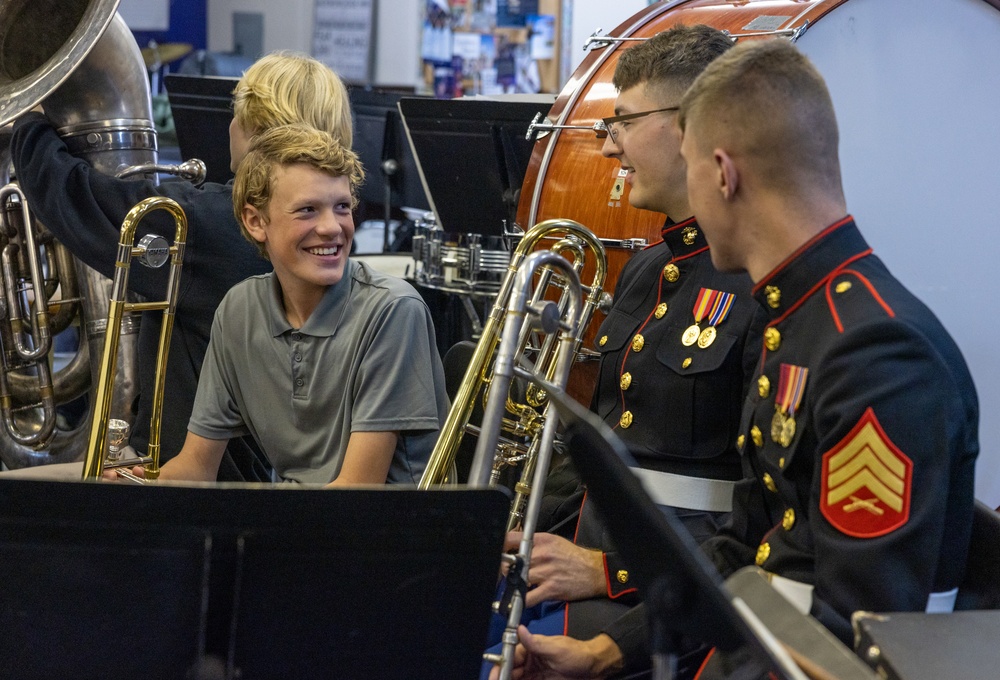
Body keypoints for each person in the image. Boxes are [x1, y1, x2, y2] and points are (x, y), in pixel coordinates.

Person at [496, 37, 979, 680]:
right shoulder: (802, 321)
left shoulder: (875, 354)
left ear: (722, 174)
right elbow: (743, 550)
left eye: (692, 166)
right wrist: (601, 655)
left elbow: (858, 640)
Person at [485, 25, 764, 679]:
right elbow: (611, 454)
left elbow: (758, 526)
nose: (608, 146)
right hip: (598, 578)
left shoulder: (763, 289)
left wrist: (611, 573)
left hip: (677, 615)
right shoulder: (650, 268)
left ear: (687, 127)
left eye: (623, 122)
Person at [9, 50, 353, 480]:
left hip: (193, 478)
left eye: (235, 114)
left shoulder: (215, 224)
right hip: (243, 472)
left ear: (252, 127)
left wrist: (30, 122)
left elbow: (78, 199)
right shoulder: (324, 234)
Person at [115, 123, 448, 486]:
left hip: (386, 537)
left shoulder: (393, 310)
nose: (333, 228)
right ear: (255, 221)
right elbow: (196, 467)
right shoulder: (239, 309)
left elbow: (356, 498)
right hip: (301, 526)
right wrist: (137, 492)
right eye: (307, 210)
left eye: (342, 207)